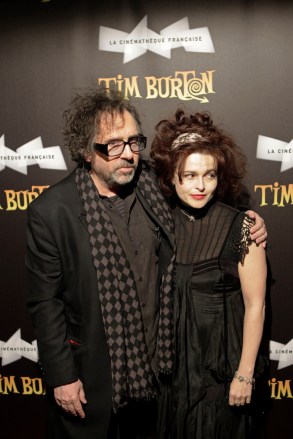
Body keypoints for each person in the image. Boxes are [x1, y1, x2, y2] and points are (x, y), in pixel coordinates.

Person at [26, 87, 267, 439]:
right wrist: (62, 376)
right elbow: (44, 303)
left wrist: (250, 221)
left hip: (160, 379)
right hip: (94, 377)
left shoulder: (150, 183)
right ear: (85, 152)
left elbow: (197, 181)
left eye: (133, 141)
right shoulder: (51, 212)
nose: (128, 155)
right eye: (113, 145)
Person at [150, 109, 267, 438]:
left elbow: (256, 305)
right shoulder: (158, 226)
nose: (200, 186)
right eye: (189, 175)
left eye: (210, 175)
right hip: (170, 380)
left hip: (221, 376)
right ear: (171, 177)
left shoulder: (241, 226)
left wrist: (245, 375)